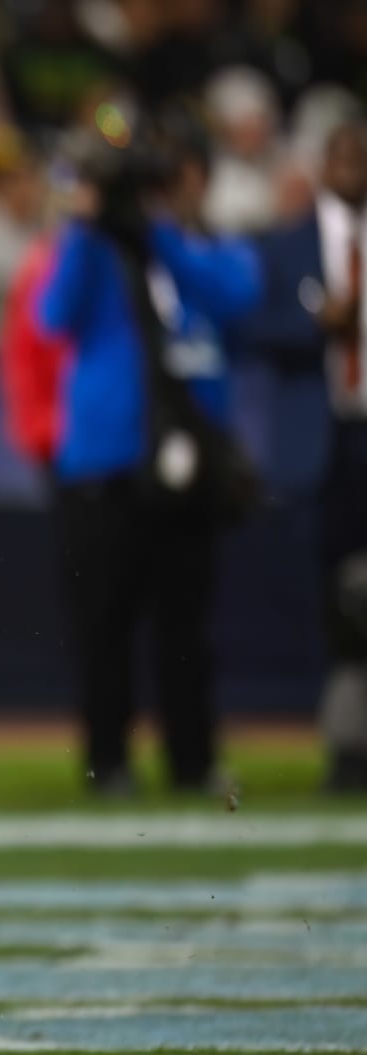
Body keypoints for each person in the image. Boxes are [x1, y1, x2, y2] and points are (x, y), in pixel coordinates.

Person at [36, 116, 262, 795]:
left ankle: (193, 761)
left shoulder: (213, 249)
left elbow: (236, 299)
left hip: (190, 461)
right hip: (104, 461)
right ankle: (109, 762)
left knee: (185, 625)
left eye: (173, 179)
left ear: (200, 182)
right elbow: (55, 317)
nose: (160, 192)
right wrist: (90, 221)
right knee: (103, 623)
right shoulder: (95, 249)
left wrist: (153, 230)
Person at [247, 120, 367, 791]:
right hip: (326, 438)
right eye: (342, 156)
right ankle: (347, 747)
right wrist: (315, 327)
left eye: (362, 157)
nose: (353, 168)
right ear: (322, 165)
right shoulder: (288, 243)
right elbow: (254, 326)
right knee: (334, 602)